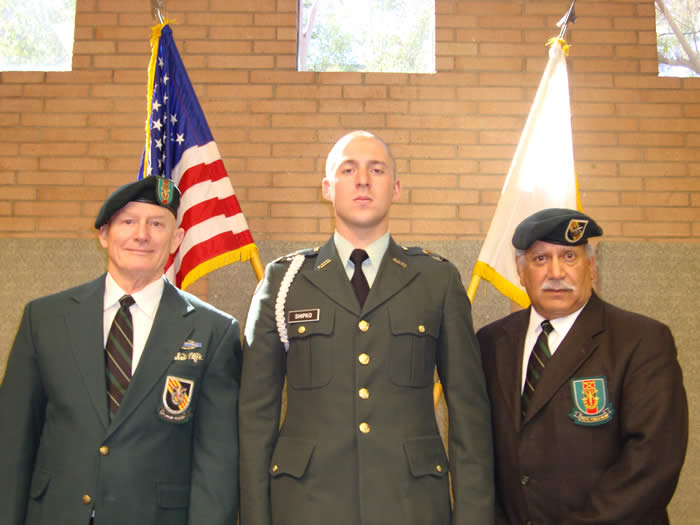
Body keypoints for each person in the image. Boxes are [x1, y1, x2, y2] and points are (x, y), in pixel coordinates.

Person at [239, 130, 494, 525]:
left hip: (412, 505)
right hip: (306, 505)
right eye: (348, 169)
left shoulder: (436, 280)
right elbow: (256, 415)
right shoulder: (284, 281)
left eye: (376, 169)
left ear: (395, 188)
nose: (362, 180)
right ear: (328, 187)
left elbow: (469, 414)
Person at [0, 176, 242, 525]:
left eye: (157, 224)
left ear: (176, 239)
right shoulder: (45, 318)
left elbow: (217, 462)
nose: (141, 234)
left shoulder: (215, 330)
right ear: (103, 234)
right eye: (128, 221)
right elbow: (13, 441)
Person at [477, 208, 688, 525]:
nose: (556, 272)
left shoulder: (642, 340)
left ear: (591, 267)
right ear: (520, 272)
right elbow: (482, 452)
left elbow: (652, 461)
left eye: (569, 257)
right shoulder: (491, 342)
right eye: (540, 259)